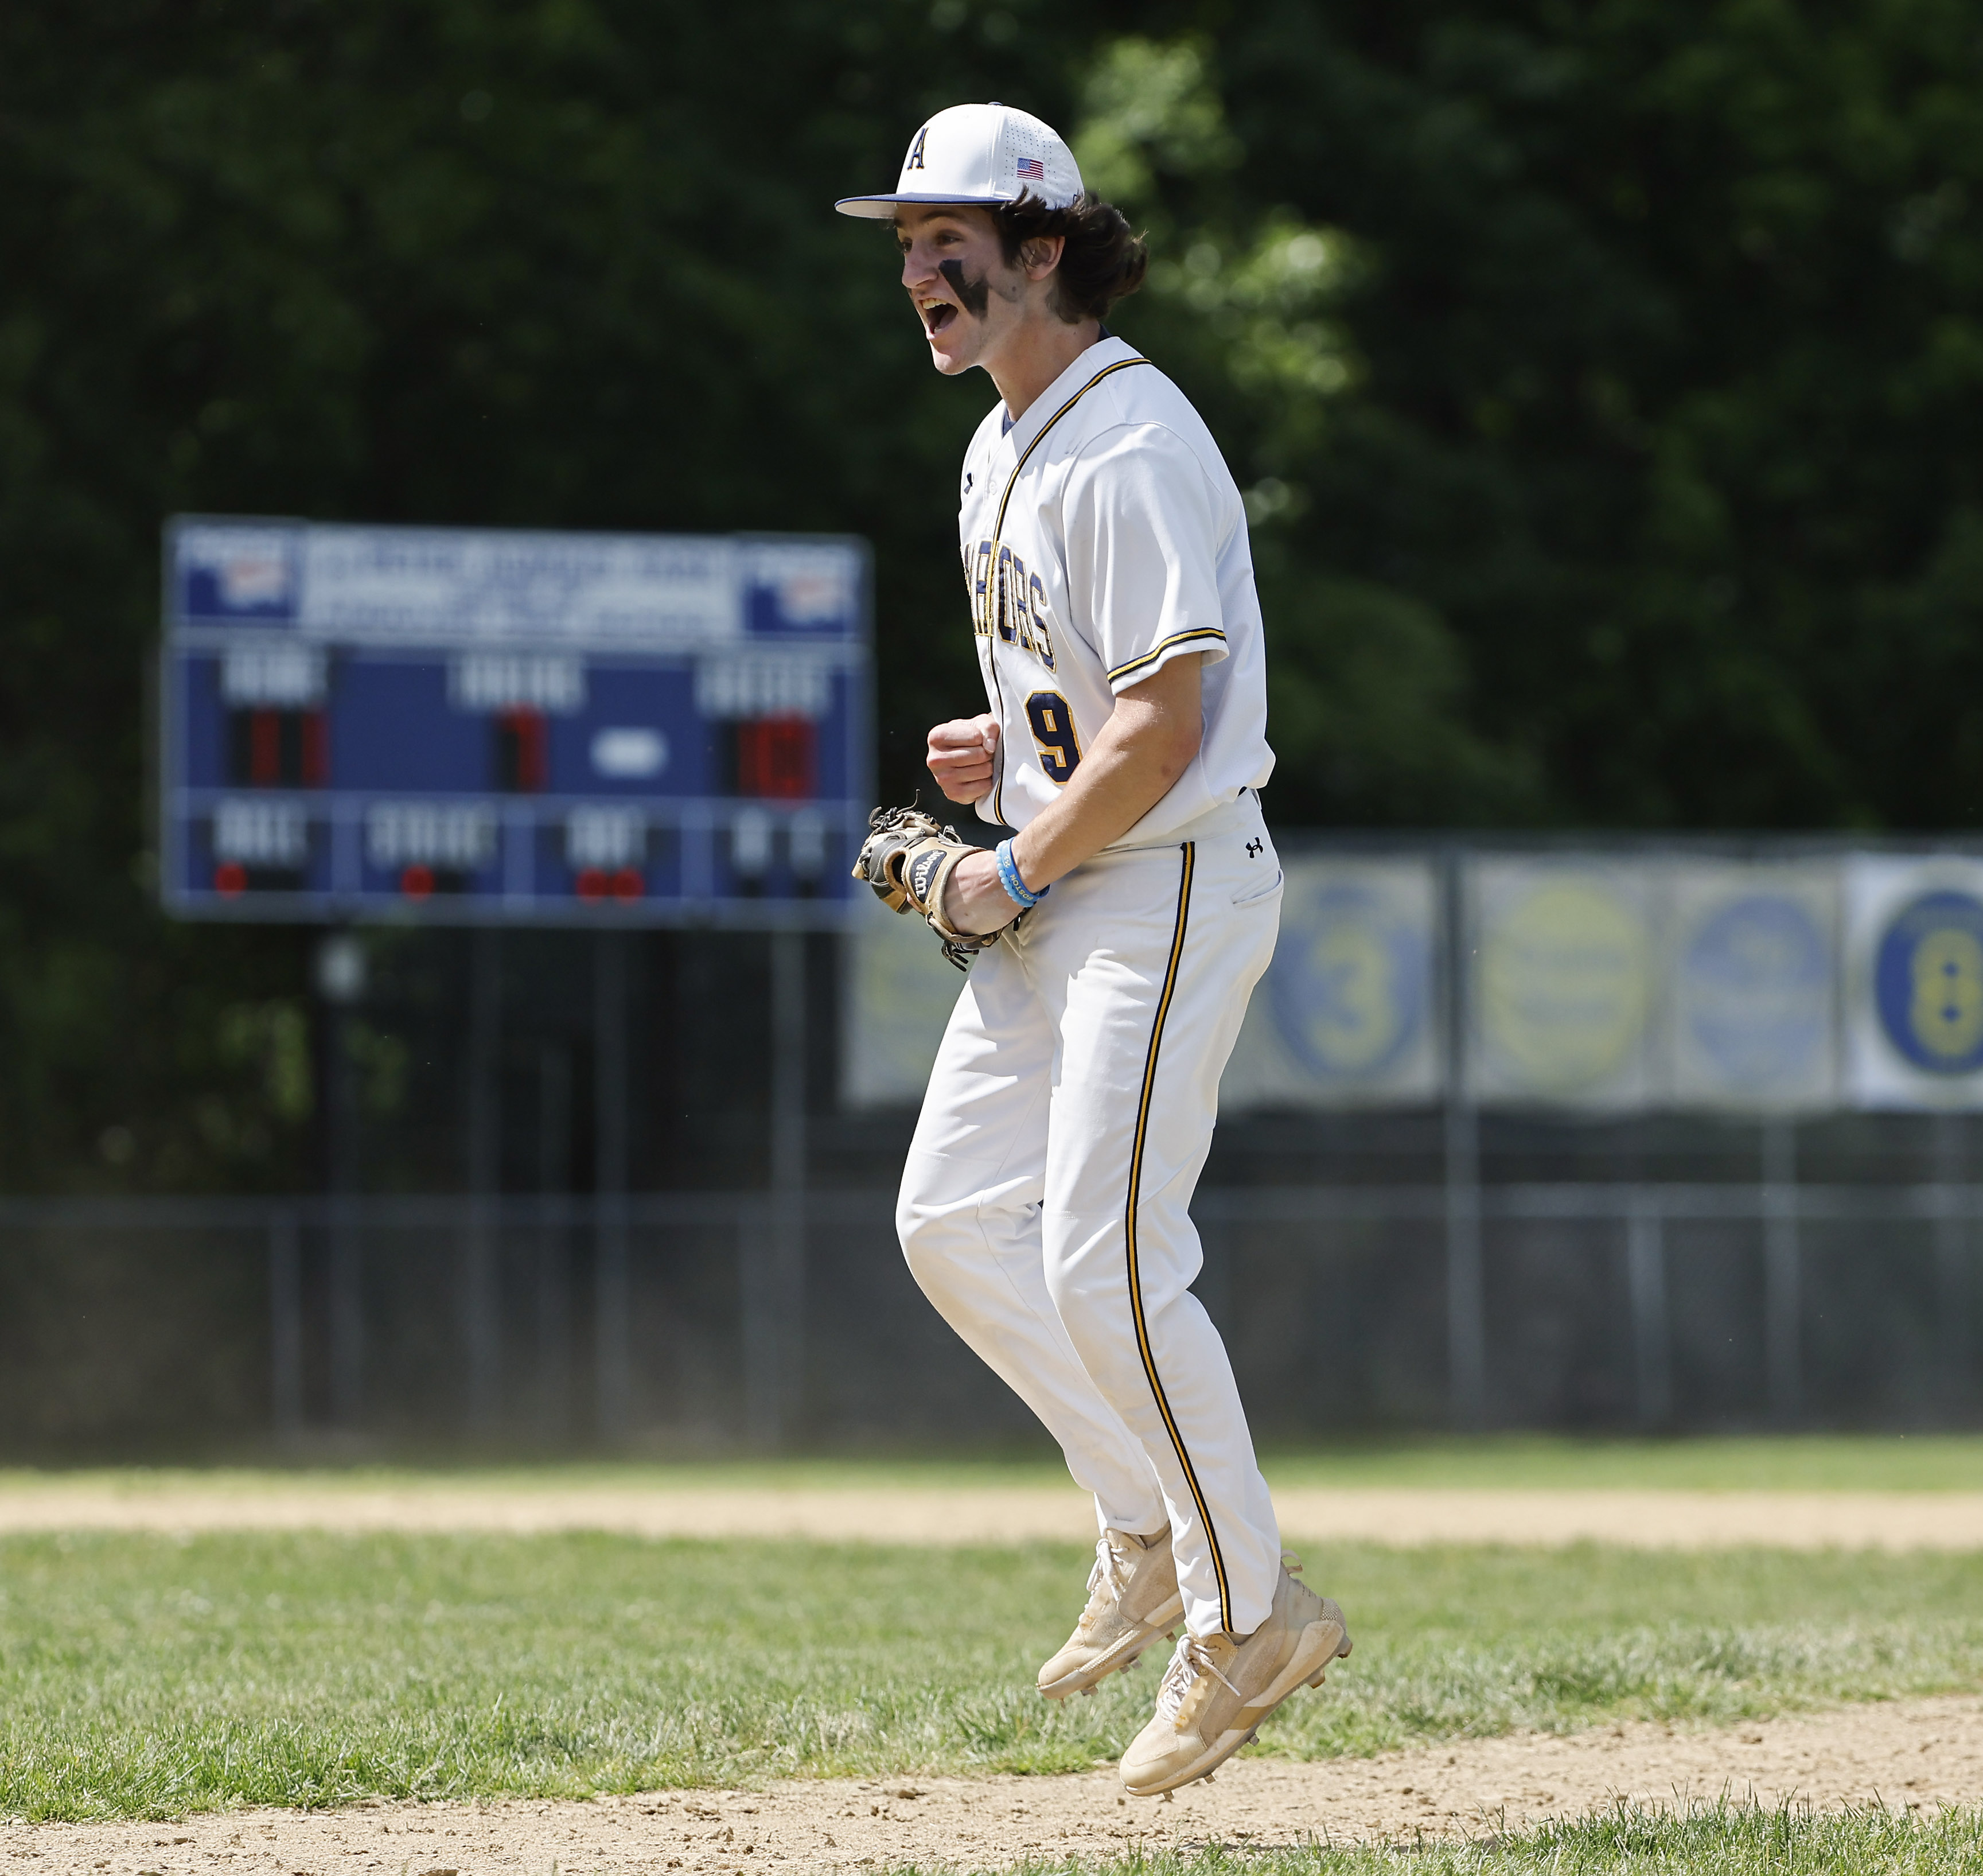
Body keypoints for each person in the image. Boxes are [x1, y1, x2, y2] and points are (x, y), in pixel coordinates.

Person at [835, 102, 1350, 1797]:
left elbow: (1161, 730)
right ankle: (1143, 1520)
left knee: (1107, 1258)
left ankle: (1245, 1614)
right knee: (950, 1226)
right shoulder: (996, 441)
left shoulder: (1126, 440)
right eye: (907, 243)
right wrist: (1001, 760)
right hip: (1071, 873)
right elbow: (1076, 717)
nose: (918, 267)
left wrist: (1004, 869)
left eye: (949, 238)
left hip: (1165, 880)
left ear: (1043, 248)